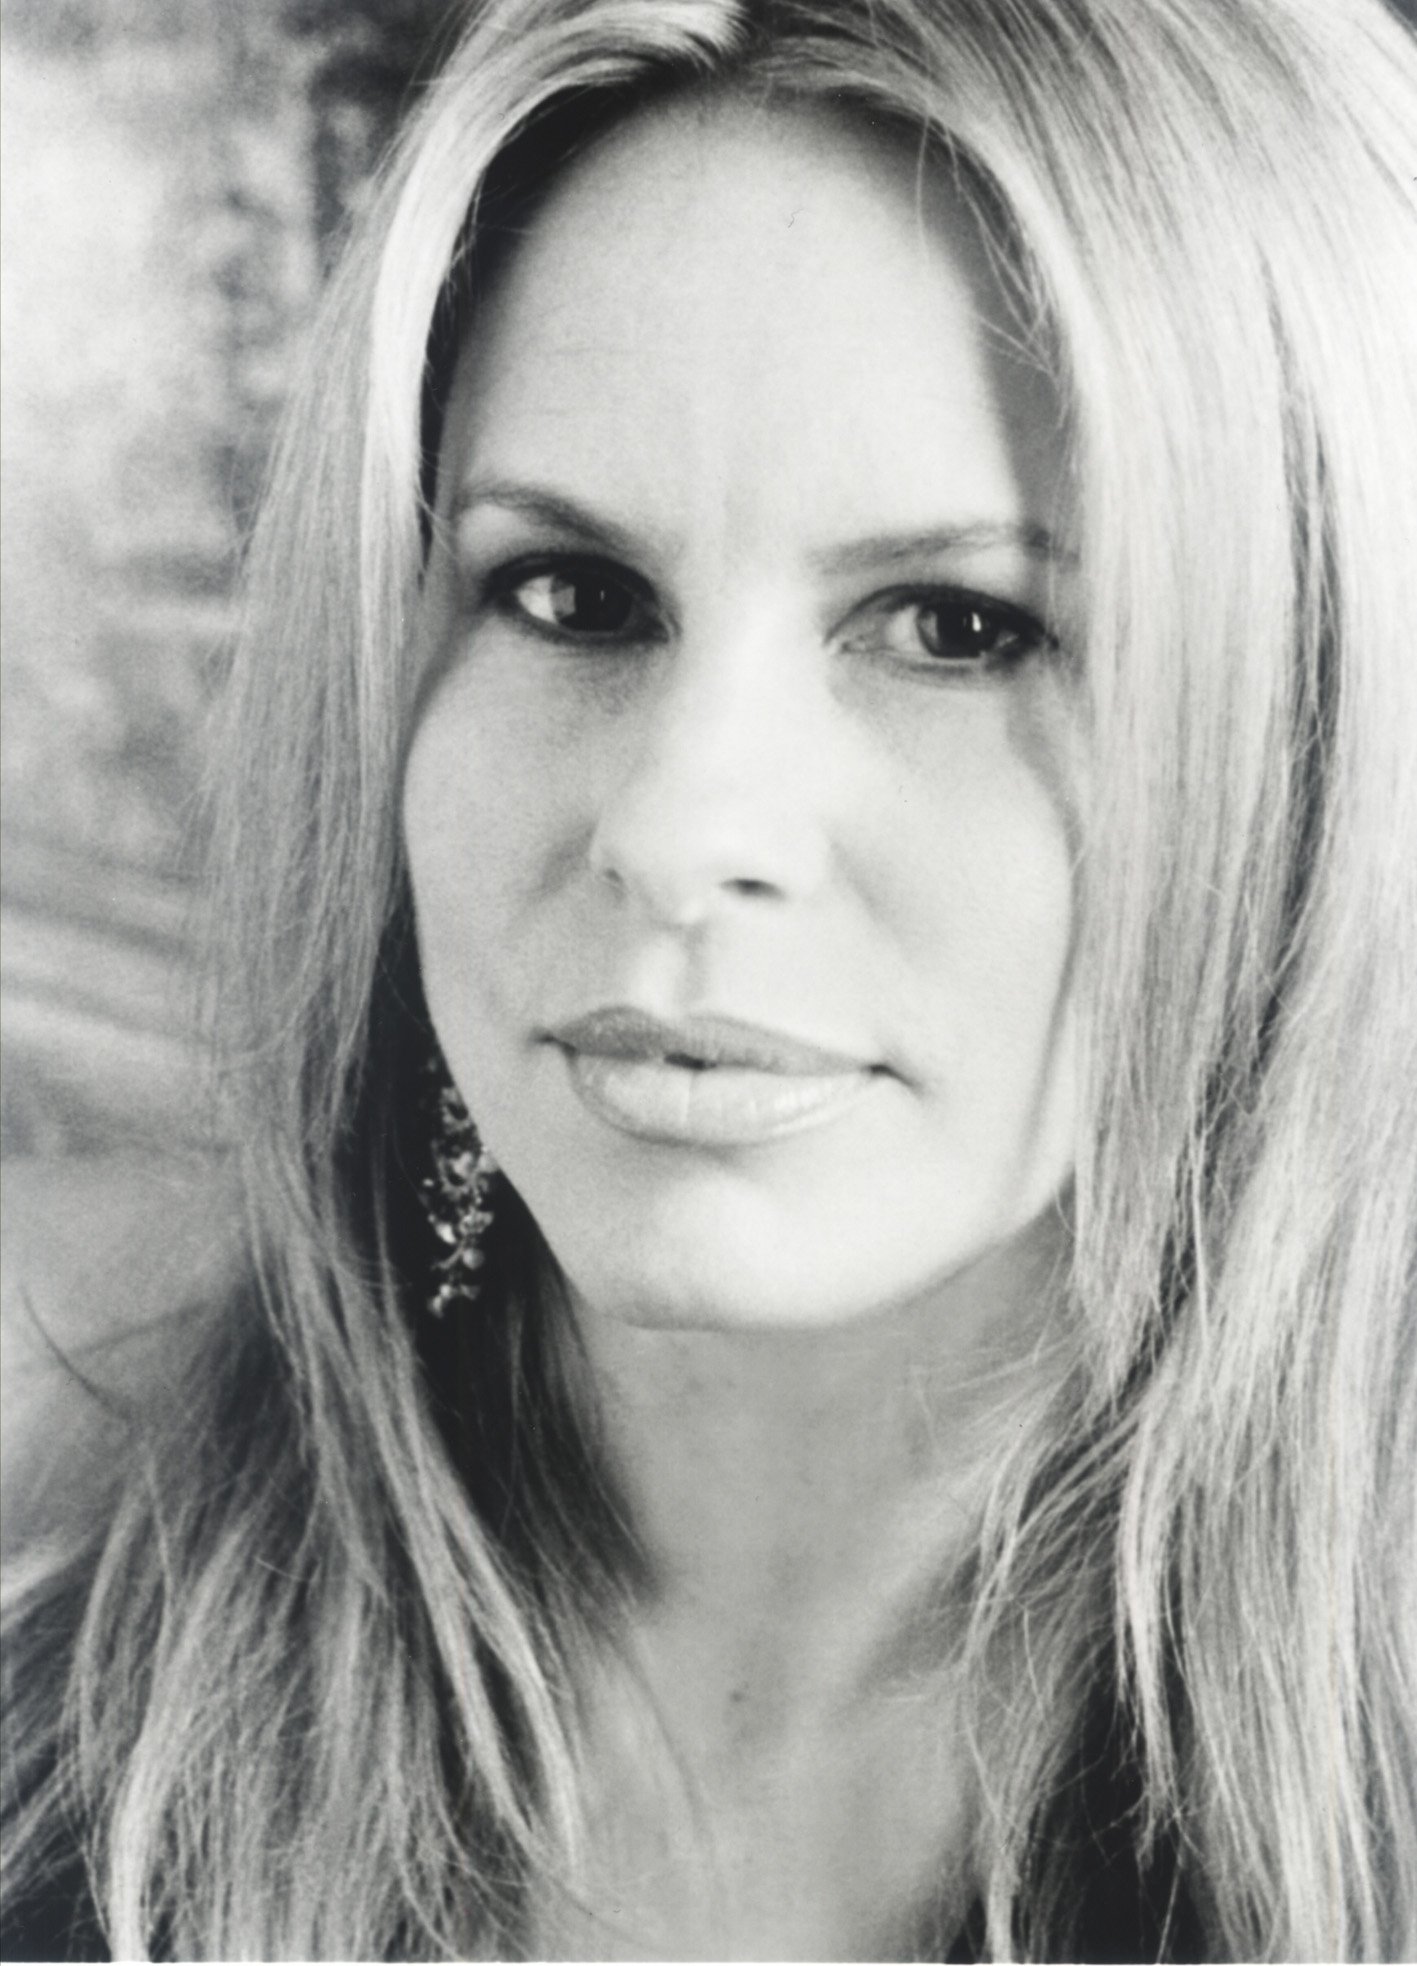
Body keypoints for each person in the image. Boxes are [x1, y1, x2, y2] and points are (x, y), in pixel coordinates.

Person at [3, 0, 1416, 1956]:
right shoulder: (54, 1510)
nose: (675, 822)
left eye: (956, 625)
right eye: (571, 594)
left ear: (1318, 742)